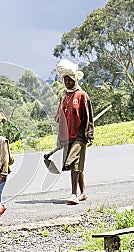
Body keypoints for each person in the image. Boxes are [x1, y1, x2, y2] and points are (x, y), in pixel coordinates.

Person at [44, 59, 94, 205]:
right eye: (64, 79)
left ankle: (73, 194)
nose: (67, 82)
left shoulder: (82, 95)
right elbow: (60, 118)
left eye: (69, 79)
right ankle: (83, 193)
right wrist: (60, 138)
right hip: (67, 136)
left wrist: (89, 135)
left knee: (73, 164)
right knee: (77, 166)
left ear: (75, 80)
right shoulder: (63, 96)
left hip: (79, 135)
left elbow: (88, 117)